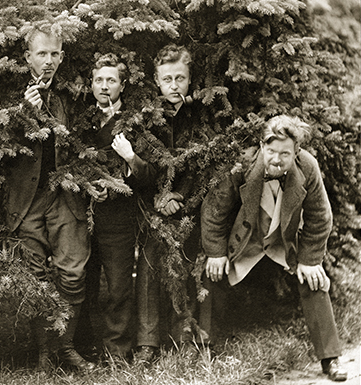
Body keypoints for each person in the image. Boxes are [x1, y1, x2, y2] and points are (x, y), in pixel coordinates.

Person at [200, 115, 347, 382]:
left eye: (285, 153)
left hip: (283, 241)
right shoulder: (241, 165)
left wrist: (310, 259)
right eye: (271, 152)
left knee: (314, 278)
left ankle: (330, 358)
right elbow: (214, 211)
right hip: (246, 240)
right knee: (212, 274)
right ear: (261, 146)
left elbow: (320, 217)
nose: (277, 160)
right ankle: (206, 349)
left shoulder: (308, 168)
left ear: (297, 152)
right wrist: (216, 252)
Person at [2, 27, 94, 372]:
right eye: (42, 54)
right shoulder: (10, 94)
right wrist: (25, 113)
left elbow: (80, 142)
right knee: (34, 276)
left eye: (55, 54)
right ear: (28, 57)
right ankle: (44, 354)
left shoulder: (72, 95)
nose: (49, 61)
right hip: (27, 200)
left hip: (65, 196)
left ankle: (65, 346)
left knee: (72, 273)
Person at [80, 53, 157, 361]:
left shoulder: (135, 123)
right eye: (98, 80)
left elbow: (152, 174)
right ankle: (85, 346)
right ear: (91, 84)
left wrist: (129, 157)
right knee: (83, 283)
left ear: (123, 85)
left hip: (119, 219)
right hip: (84, 216)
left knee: (118, 288)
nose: (104, 86)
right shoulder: (82, 122)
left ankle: (117, 350)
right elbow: (69, 164)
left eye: (111, 80)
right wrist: (87, 185)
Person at [134, 44, 206, 365]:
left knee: (185, 268)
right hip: (153, 209)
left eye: (180, 78)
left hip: (188, 207)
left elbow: (204, 167)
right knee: (149, 267)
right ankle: (146, 343)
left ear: (190, 80)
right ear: (157, 81)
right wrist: (159, 201)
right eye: (167, 79)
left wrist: (182, 200)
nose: (174, 85)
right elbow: (144, 168)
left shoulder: (200, 116)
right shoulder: (148, 120)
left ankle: (185, 336)